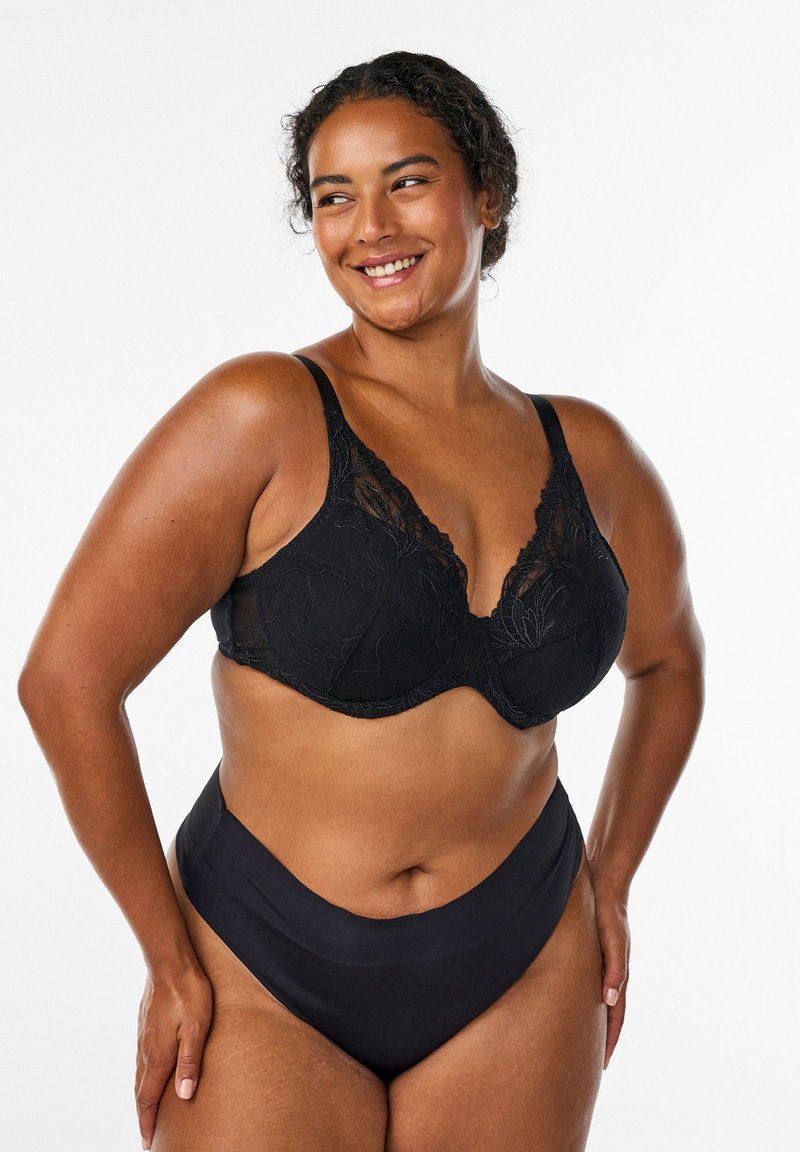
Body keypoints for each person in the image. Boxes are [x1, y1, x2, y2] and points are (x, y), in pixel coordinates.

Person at [18, 50, 705, 1152]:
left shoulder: (593, 455)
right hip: (262, 962)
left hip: (522, 955)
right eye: (333, 197)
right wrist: (165, 955)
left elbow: (669, 665)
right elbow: (65, 683)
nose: (370, 227)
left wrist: (610, 880)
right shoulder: (260, 414)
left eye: (408, 181)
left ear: (488, 193)